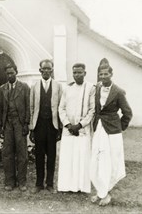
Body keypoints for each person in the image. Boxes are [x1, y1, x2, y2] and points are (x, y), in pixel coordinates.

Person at [90, 61, 132, 206]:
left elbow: (127, 113)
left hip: (112, 131)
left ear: (111, 74)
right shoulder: (96, 89)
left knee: (110, 161)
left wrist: (119, 127)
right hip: (99, 129)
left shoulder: (118, 92)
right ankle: (101, 191)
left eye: (106, 74)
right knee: (97, 160)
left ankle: (105, 193)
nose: (103, 76)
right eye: (101, 74)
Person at [57, 63, 95, 193]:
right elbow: (61, 108)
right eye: (75, 73)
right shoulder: (67, 89)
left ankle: (80, 186)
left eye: (79, 72)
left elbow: (92, 110)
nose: (77, 75)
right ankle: (66, 185)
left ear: (85, 73)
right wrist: (68, 125)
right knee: (68, 157)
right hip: (68, 130)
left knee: (81, 157)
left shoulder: (90, 88)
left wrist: (79, 126)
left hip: (82, 130)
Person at [29, 59, 63, 193]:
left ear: (52, 70)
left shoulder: (58, 86)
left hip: (52, 125)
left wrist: (59, 127)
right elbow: (32, 107)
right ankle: (39, 184)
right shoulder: (34, 86)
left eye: (49, 69)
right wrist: (32, 128)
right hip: (39, 125)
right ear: (40, 70)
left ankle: (49, 184)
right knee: (39, 155)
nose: (47, 71)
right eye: (44, 69)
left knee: (52, 155)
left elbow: (61, 107)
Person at [0, 63, 30, 192]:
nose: (10, 75)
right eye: (8, 73)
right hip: (7, 123)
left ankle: (22, 181)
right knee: (7, 153)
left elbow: (28, 106)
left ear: (16, 72)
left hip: (20, 123)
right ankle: (9, 181)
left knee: (22, 154)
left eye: (12, 73)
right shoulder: (2, 89)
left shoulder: (25, 87)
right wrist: (0, 126)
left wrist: (26, 124)